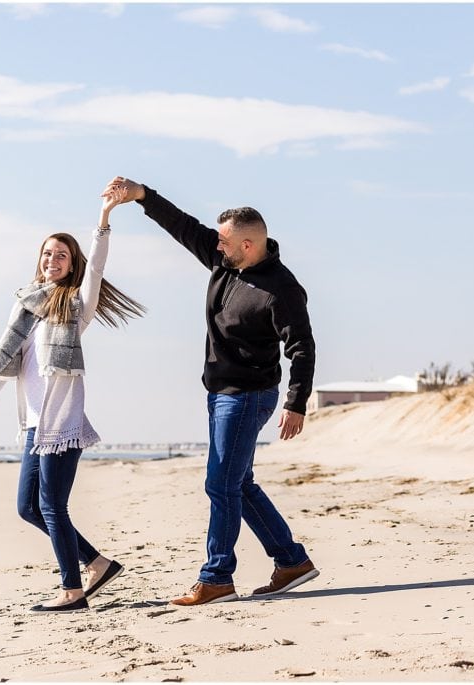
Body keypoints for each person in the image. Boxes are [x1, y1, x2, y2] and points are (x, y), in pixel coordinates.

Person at [102, 176, 319, 606]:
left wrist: (296, 403)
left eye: (224, 241)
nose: (216, 245)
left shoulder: (282, 288)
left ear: (248, 245)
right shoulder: (224, 261)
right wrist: (141, 195)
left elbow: (302, 347)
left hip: (248, 395)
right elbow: (180, 225)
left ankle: (217, 576)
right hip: (220, 393)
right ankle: (291, 561)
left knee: (220, 485)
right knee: (238, 483)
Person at [0, 188, 145, 613]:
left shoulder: (76, 305)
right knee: (28, 508)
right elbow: (4, 361)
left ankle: (72, 590)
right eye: (47, 254)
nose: (52, 260)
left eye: (61, 255)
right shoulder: (25, 307)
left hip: (61, 425)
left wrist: (104, 216)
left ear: (71, 263)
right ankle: (97, 563)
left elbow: (96, 265)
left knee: (52, 507)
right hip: (32, 425)